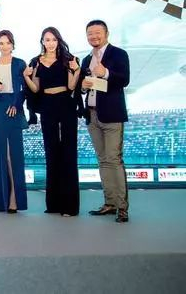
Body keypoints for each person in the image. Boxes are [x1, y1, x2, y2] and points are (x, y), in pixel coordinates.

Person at [24, 27, 81, 217]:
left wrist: (77, 70)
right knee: (51, 152)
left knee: (68, 152)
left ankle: (69, 206)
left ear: (59, 41)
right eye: (47, 40)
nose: (50, 43)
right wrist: (25, 76)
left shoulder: (68, 59)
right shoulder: (36, 61)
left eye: (54, 39)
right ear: (42, 41)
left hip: (65, 105)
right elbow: (35, 88)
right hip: (47, 107)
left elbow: (72, 86)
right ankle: (54, 204)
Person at [80, 20, 131, 223]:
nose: (94, 36)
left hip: (112, 115)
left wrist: (106, 73)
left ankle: (122, 207)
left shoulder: (119, 54)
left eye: (97, 32)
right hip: (92, 115)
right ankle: (110, 203)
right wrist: (82, 87)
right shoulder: (86, 59)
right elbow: (83, 86)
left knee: (113, 159)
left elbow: (124, 79)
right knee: (102, 160)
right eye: (90, 33)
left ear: (106, 33)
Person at [0, 30, 29, 214]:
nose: (4, 46)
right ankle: (0, 200)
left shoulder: (20, 63)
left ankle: (14, 198)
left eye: (8, 43)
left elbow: (24, 88)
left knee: (13, 156)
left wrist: (16, 105)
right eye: (1, 43)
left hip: (13, 108)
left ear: (13, 44)